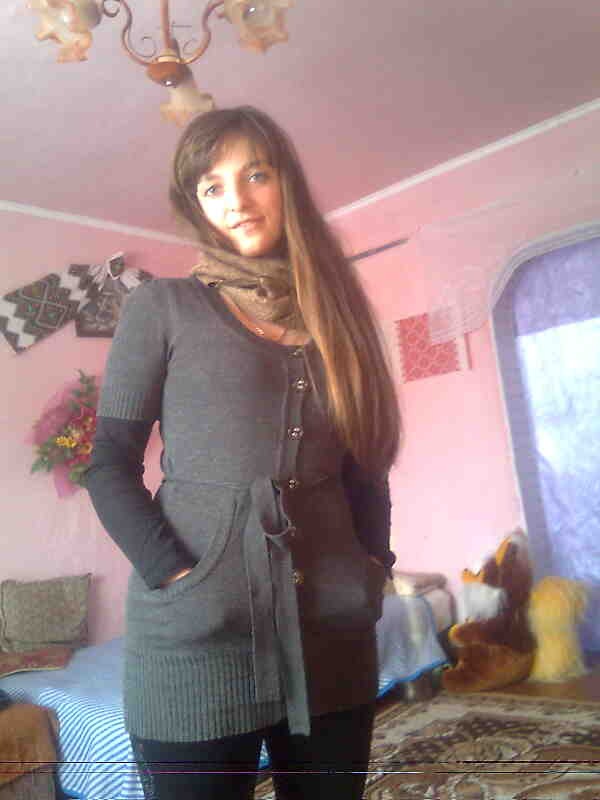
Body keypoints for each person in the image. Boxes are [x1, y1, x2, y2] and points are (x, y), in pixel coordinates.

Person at [86, 106, 401, 800]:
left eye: (256, 175)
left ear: (286, 181)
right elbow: (108, 464)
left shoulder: (337, 317)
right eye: (213, 186)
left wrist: (373, 566)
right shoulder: (163, 308)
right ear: (196, 205)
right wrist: (177, 577)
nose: (237, 200)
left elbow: (366, 465)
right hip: (195, 643)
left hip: (333, 639)